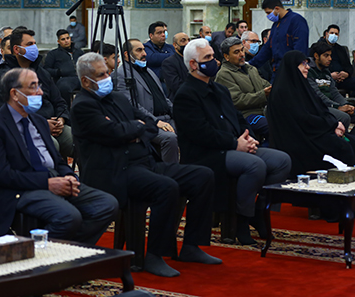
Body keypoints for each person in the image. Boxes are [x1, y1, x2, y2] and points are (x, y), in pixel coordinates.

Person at [71, 53, 221, 277]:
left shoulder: (118, 98)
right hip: (116, 171)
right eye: (101, 75)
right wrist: (133, 128)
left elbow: (150, 124)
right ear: (86, 81)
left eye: (108, 72)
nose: (107, 77)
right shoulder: (82, 106)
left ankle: (191, 245)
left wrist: (133, 129)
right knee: (166, 187)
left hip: (147, 162)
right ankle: (154, 255)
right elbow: (114, 132)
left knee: (202, 176)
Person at [0, 68, 117, 241]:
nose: (40, 92)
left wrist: (69, 176)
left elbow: (57, 160)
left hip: (51, 177)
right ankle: (42, 253)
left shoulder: (38, 121)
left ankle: (69, 249)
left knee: (106, 204)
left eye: (39, 85)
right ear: (15, 94)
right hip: (19, 188)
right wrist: (46, 183)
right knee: (69, 216)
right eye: (33, 86)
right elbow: (1, 174)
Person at [174, 38, 291, 244]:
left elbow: (238, 118)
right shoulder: (186, 94)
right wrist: (235, 144)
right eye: (208, 58)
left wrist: (249, 137)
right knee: (254, 165)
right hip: (208, 154)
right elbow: (201, 133)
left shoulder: (219, 89)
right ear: (193, 64)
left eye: (213, 56)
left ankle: (257, 211)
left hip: (234, 146)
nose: (214, 61)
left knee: (282, 161)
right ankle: (241, 219)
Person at [267, 50, 355, 178]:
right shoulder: (282, 91)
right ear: (293, 66)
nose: (307, 67)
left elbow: (321, 109)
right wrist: (331, 126)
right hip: (301, 139)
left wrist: (335, 124)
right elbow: (303, 119)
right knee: (344, 148)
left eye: (307, 63)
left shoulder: (303, 86)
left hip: (315, 132)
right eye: (303, 64)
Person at [0, 28, 74, 161]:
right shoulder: (4, 76)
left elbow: (59, 101)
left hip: (54, 124)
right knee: (51, 146)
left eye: (35, 44)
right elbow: (7, 112)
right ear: (17, 49)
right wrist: (42, 124)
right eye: (29, 44)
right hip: (27, 128)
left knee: (80, 141)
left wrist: (61, 119)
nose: (34, 48)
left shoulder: (42, 73)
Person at [116, 39, 179, 163]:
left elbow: (164, 98)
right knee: (170, 138)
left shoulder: (148, 71)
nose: (144, 53)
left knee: (192, 128)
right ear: (127, 54)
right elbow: (131, 104)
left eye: (144, 49)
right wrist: (156, 121)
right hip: (148, 121)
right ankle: (170, 172)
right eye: (139, 50)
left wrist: (178, 113)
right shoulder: (122, 74)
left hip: (167, 118)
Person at [215, 37, 271, 142]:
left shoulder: (251, 69)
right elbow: (237, 100)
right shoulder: (224, 74)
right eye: (236, 52)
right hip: (245, 116)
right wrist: (263, 94)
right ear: (226, 56)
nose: (242, 54)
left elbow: (265, 85)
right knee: (272, 127)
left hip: (263, 111)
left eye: (242, 50)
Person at [249, 0, 309, 81]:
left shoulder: (297, 21)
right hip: (277, 71)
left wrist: (295, 68)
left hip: (291, 72)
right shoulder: (276, 25)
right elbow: (267, 49)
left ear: (277, 9)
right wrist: (250, 64)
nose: (268, 16)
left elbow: (300, 48)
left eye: (269, 13)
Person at [307, 40, 355, 134]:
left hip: (332, 105)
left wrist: (346, 105)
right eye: (326, 56)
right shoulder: (309, 72)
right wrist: (337, 107)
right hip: (319, 107)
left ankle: (352, 140)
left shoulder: (326, 72)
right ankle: (341, 141)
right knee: (344, 117)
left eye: (330, 55)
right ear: (316, 56)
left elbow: (334, 92)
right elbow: (317, 95)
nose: (330, 59)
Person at [320, 24, 355, 96]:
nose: (334, 35)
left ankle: (352, 101)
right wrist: (330, 75)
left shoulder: (341, 49)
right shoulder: (319, 47)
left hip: (342, 79)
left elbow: (349, 66)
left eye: (336, 34)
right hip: (327, 79)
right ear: (327, 34)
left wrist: (346, 74)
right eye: (332, 33)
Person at [43, 29, 83, 105]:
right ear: (58, 41)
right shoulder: (53, 54)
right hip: (64, 79)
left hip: (81, 77)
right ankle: (65, 109)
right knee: (64, 87)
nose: (66, 41)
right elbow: (46, 70)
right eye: (63, 39)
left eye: (67, 38)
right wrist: (59, 72)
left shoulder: (79, 52)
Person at [161, 32, 190, 100]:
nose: (187, 43)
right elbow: (176, 85)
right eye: (183, 41)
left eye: (189, 40)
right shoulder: (169, 63)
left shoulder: (194, 59)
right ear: (175, 45)